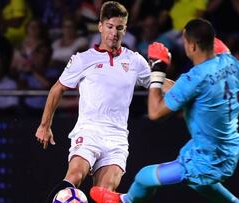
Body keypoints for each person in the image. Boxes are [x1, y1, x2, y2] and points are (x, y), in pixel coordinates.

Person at [90, 18, 239, 203]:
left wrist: (157, 69)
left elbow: (155, 113)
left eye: (184, 42)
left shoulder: (192, 79)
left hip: (206, 159)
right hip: (229, 150)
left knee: (144, 177)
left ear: (192, 46)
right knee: (201, 184)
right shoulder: (230, 62)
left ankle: (122, 202)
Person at [34, 1, 155, 202]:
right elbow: (57, 89)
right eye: (109, 27)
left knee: (104, 192)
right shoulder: (83, 59)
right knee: (74, 176)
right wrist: (45, 125)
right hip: (89, 131)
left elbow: (159, 83)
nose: (114, 33)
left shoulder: (135, 61)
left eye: (119, 28)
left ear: (125, 29)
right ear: (100, 26)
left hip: (116, 138)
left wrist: (190, 86)